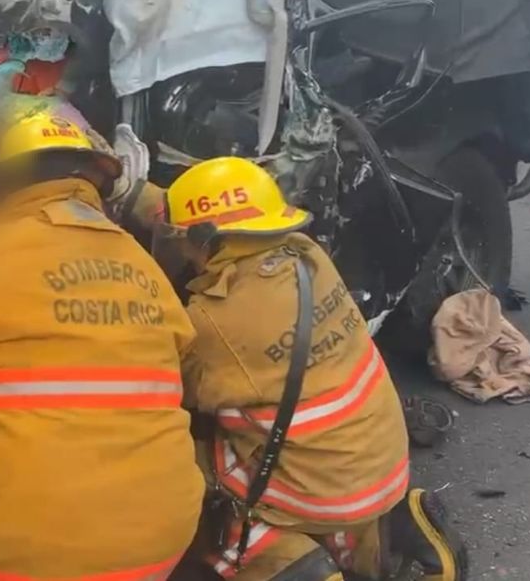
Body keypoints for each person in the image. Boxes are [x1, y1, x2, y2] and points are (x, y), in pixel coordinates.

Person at [0, 108, 205, 581]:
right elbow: (183, 351)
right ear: (95, 183)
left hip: (25, 549)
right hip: (163, 539)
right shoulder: (146, 266)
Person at [157, 157, 465, 581]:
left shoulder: (215, 320)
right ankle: (399, 532)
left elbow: (168, 387)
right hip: (383, 468)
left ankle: (290, 564)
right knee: (300, 438)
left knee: (175, 465)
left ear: (206, 239)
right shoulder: (308, 257)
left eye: (184, 240)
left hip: (323, 490)